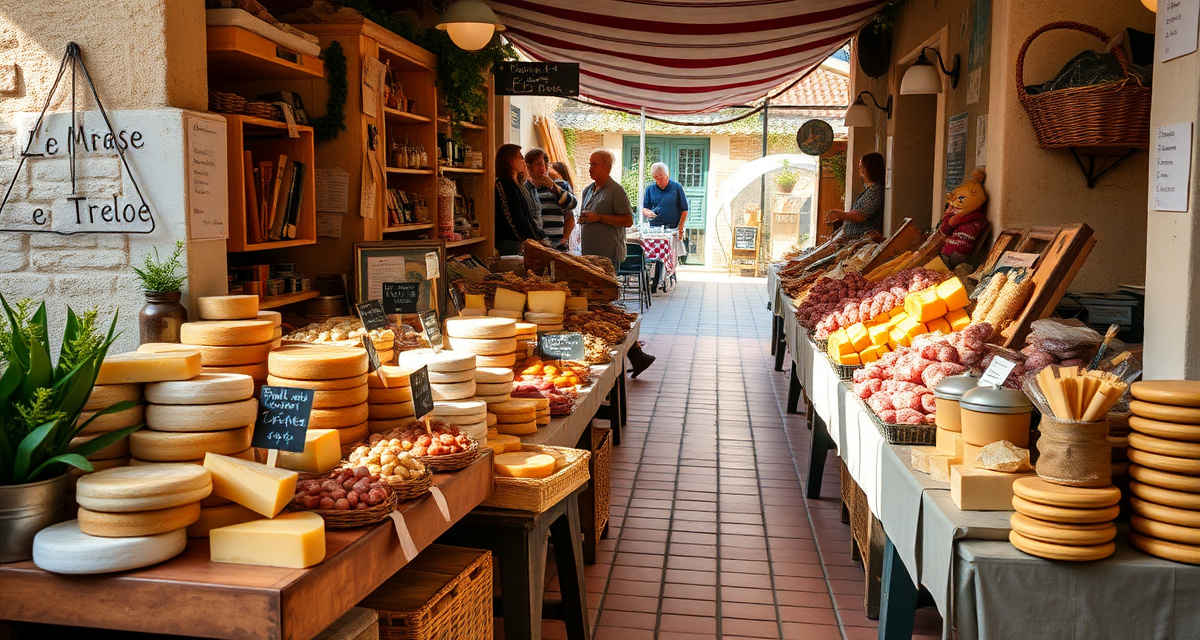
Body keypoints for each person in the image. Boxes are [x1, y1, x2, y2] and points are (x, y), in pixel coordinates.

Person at [581, 149, 656, 377]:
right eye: (590, 163)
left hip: (607, 256)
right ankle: (635, 356)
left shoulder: (615, 191)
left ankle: (634, 354)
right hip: (589, 257)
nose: (590, 168)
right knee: (598, 307)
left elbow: (627, 219)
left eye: (594, 164)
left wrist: (599, 218)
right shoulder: (588, 190)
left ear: (607, 167)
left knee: (605, 306)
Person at [494, 143, 547, 255]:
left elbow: (527, 216)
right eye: (520, 157)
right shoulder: (505, 185)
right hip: (511, 242)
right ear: (511, 161)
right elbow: (516, 217)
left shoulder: (518, 185)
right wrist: (531, 240)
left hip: (521, 241)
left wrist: (536, 237)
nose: (523, 161)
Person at [524, 148, 577, 250]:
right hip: (536, 247)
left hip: (557, 247)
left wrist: (553, 187)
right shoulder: (526, 189)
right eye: (538, 164)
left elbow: (572, 206)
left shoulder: (560, 185)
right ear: (528, 167)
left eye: (545, 164)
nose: (543, 168)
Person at [823, 151, 885, 238]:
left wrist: (839, 214)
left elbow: (861, 215)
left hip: (861, 239)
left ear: (870, 168)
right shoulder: (869, 190)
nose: (860, 169)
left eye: (861, 166)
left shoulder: (876, 190)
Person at [641, 162, 689, 242]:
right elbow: (645, 208)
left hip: (672, 228)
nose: (659, 180)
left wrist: (680, 228)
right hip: (655, 229)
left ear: (667, 175)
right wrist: (646, 212)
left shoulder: (677, 188)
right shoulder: (649, 189)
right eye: (656, 178)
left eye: (662, 177)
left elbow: (684, 209)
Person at [550, 161, 579, 253]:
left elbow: (569, 217)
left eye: (550, 167)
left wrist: (564, 239)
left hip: (558, 243)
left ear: (558, 174)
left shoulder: (563, 187)